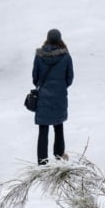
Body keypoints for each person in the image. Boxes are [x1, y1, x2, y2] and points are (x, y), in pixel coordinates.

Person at [32, 28, 74, 165]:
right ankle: (59, 155)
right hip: (59, 97)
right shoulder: (66, 56)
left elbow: (35, 77)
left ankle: (42, 161)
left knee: (43, 129)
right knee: (58, 126)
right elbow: (70, 78)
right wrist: (61, 87)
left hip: (43, 96)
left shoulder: (39, 56)